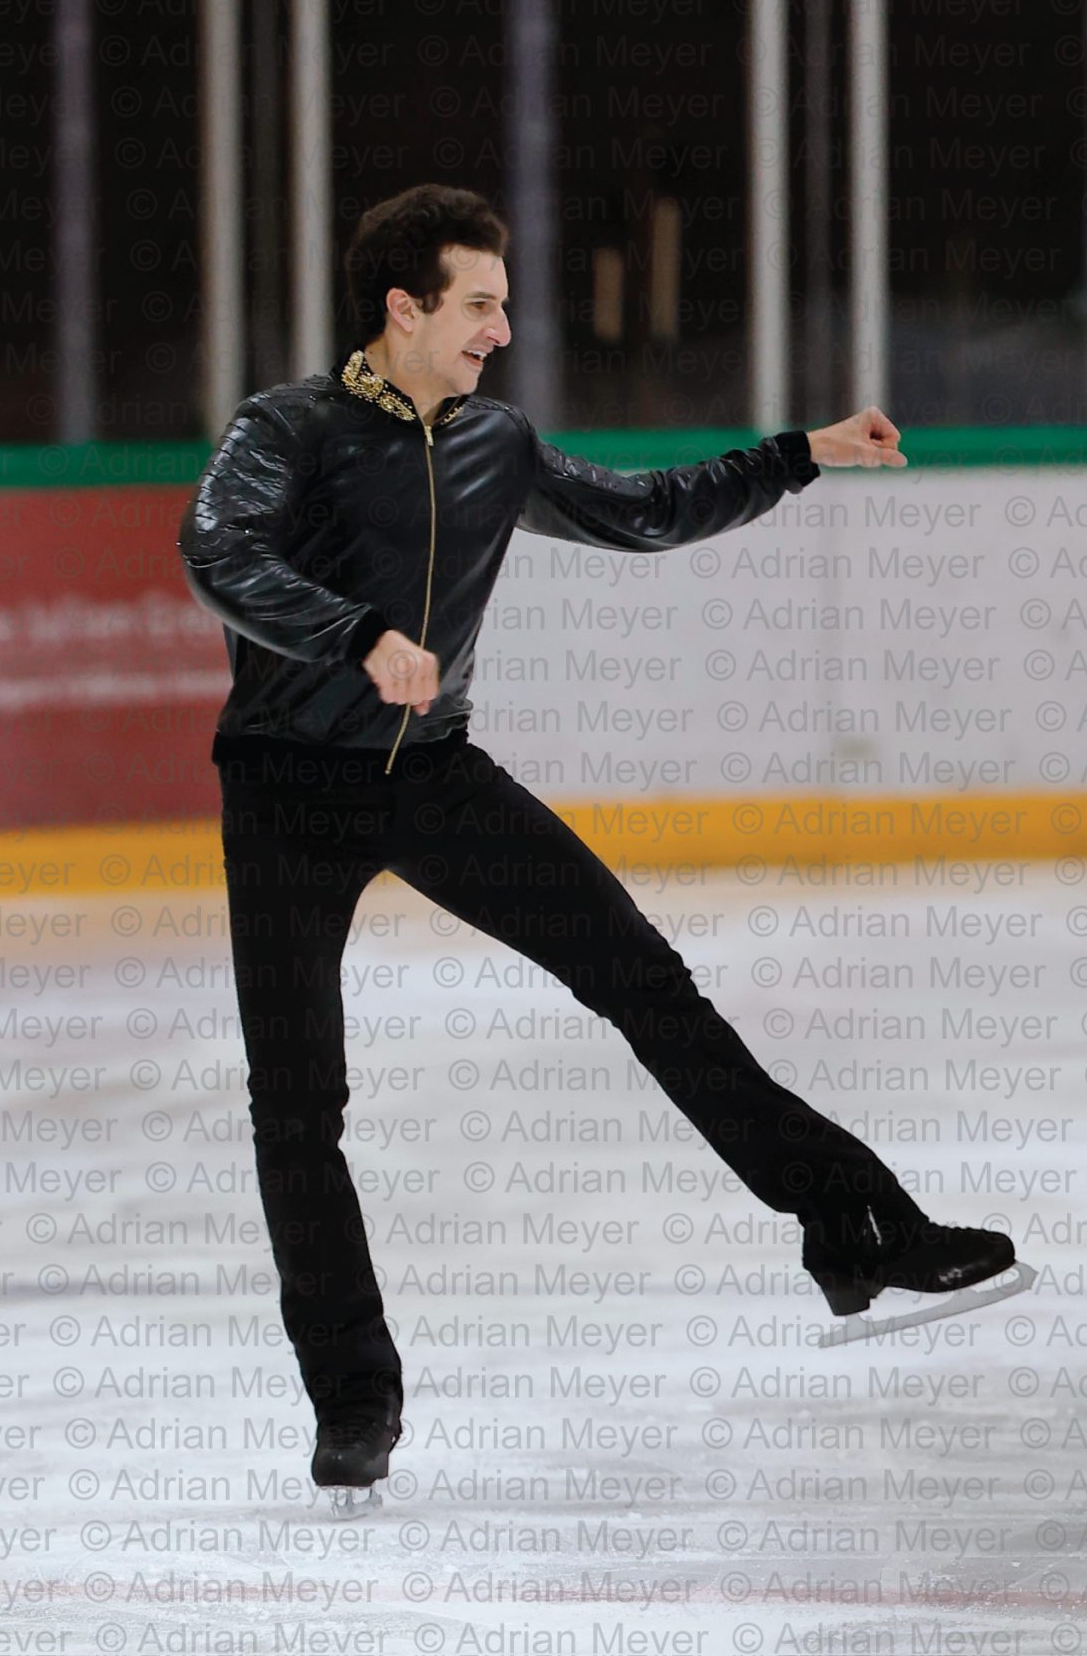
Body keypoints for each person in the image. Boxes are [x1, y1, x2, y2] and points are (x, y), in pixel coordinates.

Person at [176, 185, 1022, 1514]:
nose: (502, 330)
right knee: (297, 1105)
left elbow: (645, 510)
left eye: (502, 305)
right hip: (285, 793)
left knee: (647, 984)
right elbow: (213, 549)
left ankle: (860, 1229)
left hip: (434, 776)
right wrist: (355, 636)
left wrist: (800, 454)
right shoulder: (287, 429)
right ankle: (354, 1404)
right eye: (478, 305)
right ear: (403, 308)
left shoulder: (496, 443)